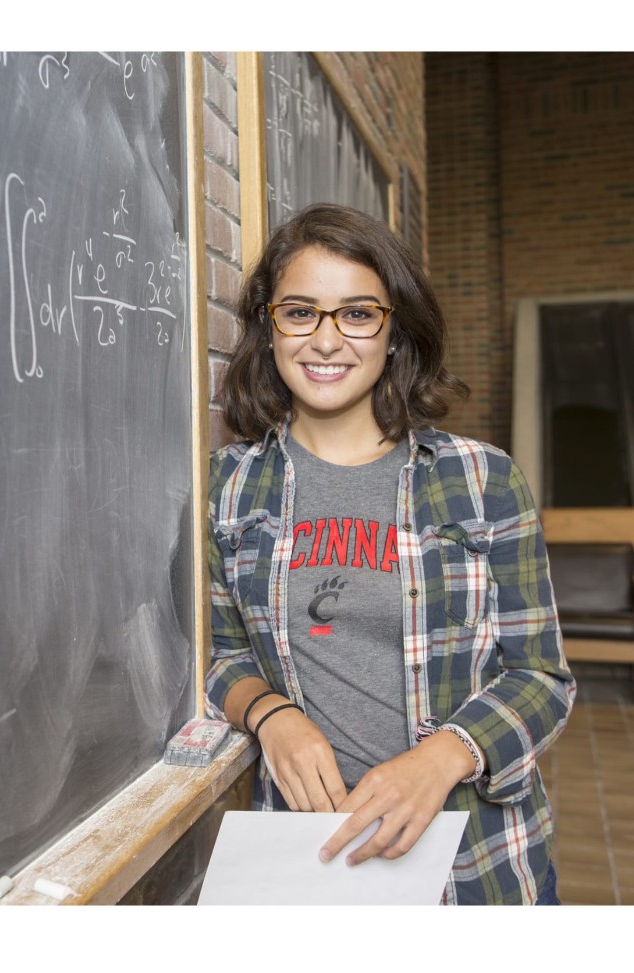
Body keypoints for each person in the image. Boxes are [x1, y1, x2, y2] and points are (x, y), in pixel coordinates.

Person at [206, 203, 575, 905]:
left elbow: (543, 677)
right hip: (308, 864)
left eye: (356, 314)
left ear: (394, 330)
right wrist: (269, 714)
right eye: (300, 312)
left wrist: (444, 757)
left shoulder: (482, 480)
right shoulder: (228, 488)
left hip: (476, 863)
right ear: (270, 325)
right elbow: (223, 655)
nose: (325, 340)